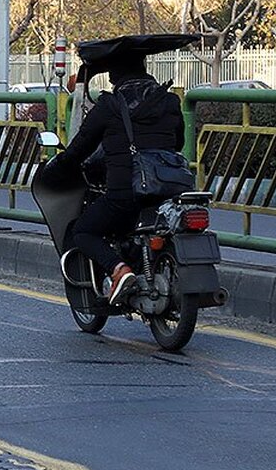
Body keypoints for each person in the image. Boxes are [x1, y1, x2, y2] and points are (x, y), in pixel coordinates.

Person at [42, 40, 185, 303]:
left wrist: (57, 168)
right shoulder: (169, 101)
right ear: (144, 68)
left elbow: (79, 149)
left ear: (114, 75)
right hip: (171, 189)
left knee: (83, 231)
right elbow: (178, 143)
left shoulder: (109, 106)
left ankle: (120, 269)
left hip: (127, 192)